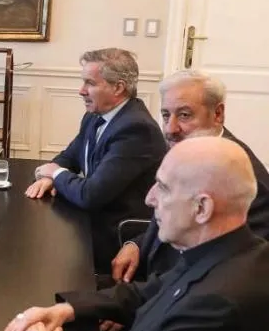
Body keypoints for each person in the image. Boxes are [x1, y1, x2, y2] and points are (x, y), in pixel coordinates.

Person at [5, 137, 269, 331]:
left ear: (202, 208)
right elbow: (151, 291)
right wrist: (69, 309)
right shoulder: (235, 251)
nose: (149, 198)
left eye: (163, 188)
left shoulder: (219, 304)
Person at [111, 69, 269, 283]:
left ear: (218, 114)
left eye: (184, 115)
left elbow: (225, 273)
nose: (170, 129)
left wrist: (141, 303)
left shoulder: (241, 178)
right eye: (166, 115)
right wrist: (137, 245)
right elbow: (176, 218)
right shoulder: (190, 150)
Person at [25, 48, 167, 272]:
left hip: (116, 237)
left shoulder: (136, 129)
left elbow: (91, 195)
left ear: (118, 87)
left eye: (90, 83)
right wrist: (50, 176)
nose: (81, 91)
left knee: (36, 257)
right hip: (90, 221)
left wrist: (56, 173)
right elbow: (70, 155)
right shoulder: (95, 116)